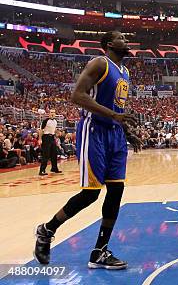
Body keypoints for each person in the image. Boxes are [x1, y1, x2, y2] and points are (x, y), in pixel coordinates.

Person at [34, 31, 141, 269]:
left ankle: (99, 251)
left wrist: (127, 130)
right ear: (109, 44)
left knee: (116, 190)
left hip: (114, 135)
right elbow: (77, 95)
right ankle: (47, 229)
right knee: (91, 193)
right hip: (94, 131)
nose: (126, 40)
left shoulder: (125, 72)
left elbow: (117, 106)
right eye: (121, 37)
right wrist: (114, 115)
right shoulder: (100, 63)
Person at [38, 109, 61, 175]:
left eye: (53, 112)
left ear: (55, 114)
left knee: (54, 153)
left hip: (52, 137)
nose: (52, 113)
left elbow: (54, 129)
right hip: (46, 137)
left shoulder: (55, 121)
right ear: (49, 113)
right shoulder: (45, 121)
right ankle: (42, 170)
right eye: (51, 112)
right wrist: (40, 139)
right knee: (46, 154)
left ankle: (54, 168)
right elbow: (41, 130)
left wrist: (57, 134)